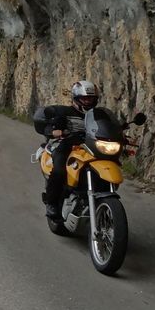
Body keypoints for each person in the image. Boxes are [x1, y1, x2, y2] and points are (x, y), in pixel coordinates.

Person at [32, 80, 100, 221]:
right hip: (67, 145)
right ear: (76, 98)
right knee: (59, 170)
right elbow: (51, 125)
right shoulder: (64, 112)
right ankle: (51, 202)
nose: (87, 102)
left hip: (90, 147)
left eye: (90, 99)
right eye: (84, 99)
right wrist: (54, 131)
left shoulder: (98, 115)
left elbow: (108, 126)